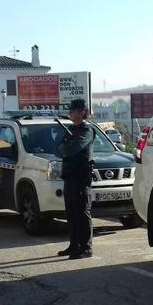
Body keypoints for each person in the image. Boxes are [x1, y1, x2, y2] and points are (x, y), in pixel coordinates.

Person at [57, 99, 95, 259]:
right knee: (71, 213)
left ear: (81, 112)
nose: (70, 114)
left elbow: (72, 149)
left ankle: (86, 247)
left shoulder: (87, 130)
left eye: (73, 111)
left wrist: (66, 145)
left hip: (80, 176)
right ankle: (74, 245)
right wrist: (65, 146)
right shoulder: (71, 129)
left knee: (82, 212)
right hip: (70, 175)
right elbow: (58, 148)